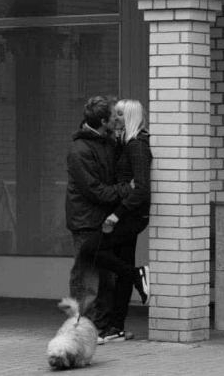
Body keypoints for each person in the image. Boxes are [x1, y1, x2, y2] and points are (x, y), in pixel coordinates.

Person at [80, 98, 152, 343]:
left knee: (90, 249)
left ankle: (137, 274)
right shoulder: (124, 142)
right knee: (122, 268)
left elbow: (141, 189)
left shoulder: (137, 145)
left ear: (130, 116)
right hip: (127, 213)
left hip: (131, 216)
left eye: (120, 114)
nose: (115, 118)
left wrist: (116, 214)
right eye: (114, 114)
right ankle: (116, 328)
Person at [66, 95, 132, 334]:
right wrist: (126, 190)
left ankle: (101, 329)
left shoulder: (108, 142)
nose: (118, 119)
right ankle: (82, 331)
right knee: (88, 280)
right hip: (87, 223)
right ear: (103, 121)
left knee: (106, 279)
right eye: (114, 115)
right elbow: (95, 190)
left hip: (103, 222)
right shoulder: (80, 150)